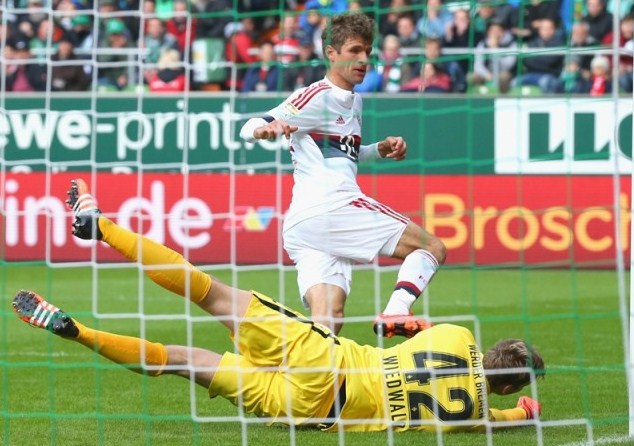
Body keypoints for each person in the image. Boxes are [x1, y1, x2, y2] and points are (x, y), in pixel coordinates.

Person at [12, 178, 545, 432]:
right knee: (178, 360)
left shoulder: (457, 337)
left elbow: (403, 332)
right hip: (312, 412)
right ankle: (76, 329)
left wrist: (413, 324)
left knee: (210, 291)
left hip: (327, 360)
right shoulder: (478, 416)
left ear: (495, 349)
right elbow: (507, 418)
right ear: (507, 384)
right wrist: (522, 411)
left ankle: (100, 226)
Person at [238, 13, 447, 337]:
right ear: (331, 53)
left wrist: (378, 148)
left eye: (367, 50)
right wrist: (265, 129)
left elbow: (342, 154)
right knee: (431, 247)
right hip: (332, 207)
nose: (363, 59)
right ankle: (396, 312)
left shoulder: (354, 100)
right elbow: (249, 125)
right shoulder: (316, 95)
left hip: (307, 226)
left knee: (329, 321)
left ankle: (298, 381)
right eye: (354, 50)